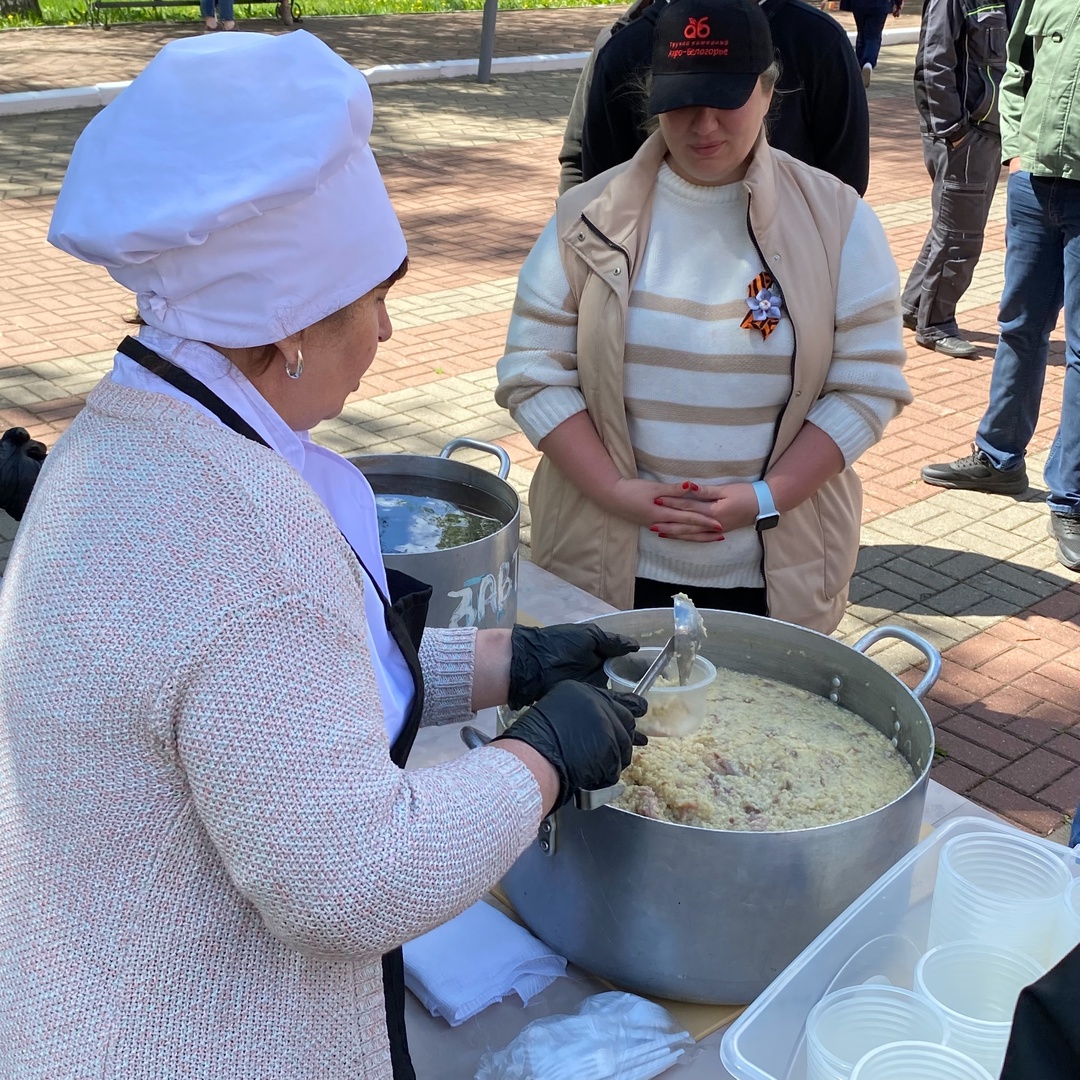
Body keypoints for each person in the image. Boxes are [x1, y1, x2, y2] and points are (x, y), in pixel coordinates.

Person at [0, 32, 649, 1079]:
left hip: (84, 993)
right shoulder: (236, 531)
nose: (388, 331)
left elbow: (250, 711)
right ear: (289, 322)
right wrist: (544, 759)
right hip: (188, 1035)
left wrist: (509, 666)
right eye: (377, 296)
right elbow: (353, 880)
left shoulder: (133, 428)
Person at [496, 0, 911, 634]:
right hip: (605, 563)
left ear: (768, 91)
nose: (705, 124)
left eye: (728, 98)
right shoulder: (588, 217)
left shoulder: (837, 221)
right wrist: (612, 491)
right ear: (653, 96)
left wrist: (767, 498)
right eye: (684, 100)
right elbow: (532, 370)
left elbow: (867, 383)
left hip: (771, 573)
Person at [920, 0, 1080, 571]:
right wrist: (1016, 144)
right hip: (1035, 181)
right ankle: (999, 458)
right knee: (1019, 326)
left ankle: (1072, 496)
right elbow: (1017, 69)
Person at [569, 0, 872, 196]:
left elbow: (846, 182)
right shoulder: (622, 49)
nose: (705, 125)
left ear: (770, 93)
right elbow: (587, 172)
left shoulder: (818, 42)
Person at [901, 0, 1018, 358]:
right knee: (960, 236)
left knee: (951, 226)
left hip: (994, 132)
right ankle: (935, 325)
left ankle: (913, 305)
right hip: (964, 135)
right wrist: (953, 131)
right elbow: (933, 63)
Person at [840, 0, 903, 88]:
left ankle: (858, 68)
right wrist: (898, 4)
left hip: (858, 4)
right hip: (880, 4)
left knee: (861, 33)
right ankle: (868, 62)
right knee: (874, 36)